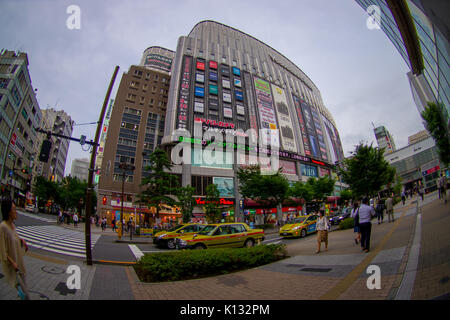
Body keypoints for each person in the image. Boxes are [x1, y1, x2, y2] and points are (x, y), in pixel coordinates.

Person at [0, 197, 30, 300]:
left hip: (19, 264)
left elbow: (14, 237)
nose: (16, 211)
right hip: (14, 267)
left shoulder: (12, 225)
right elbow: (2, 250)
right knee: (25, 294)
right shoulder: (3, 227)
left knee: (22, 293)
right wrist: (12, 263)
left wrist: (22, 241)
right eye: (14, 209)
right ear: (8, 211)